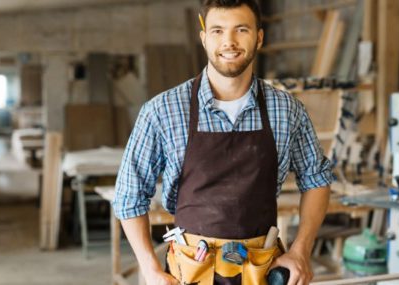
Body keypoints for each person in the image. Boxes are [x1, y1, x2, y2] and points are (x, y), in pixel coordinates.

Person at [113, 0, 332, 284]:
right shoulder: (163, 111)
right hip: (191, 269)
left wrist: (301, 250)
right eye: (217, 31)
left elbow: (317, 179)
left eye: (241, 29)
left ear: (259, 37)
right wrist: (151, 270)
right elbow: (129, 196)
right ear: (204, 38)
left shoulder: (287, 111)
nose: (229, 42)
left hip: (261, 269)